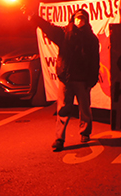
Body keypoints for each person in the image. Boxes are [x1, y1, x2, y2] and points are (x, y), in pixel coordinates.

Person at [30, 9, 100, 151]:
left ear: (87, 21)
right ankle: (59, 138)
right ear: (73, 19)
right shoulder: (64, 34)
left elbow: (94, 61)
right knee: (62, 109)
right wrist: (35, 18)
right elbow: (49, 28)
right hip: (66, 79)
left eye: (82, 19)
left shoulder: (91, 39)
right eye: (77, 18)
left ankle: (85, 132)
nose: (79, 21)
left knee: (85, 109)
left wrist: (91, 81)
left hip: (83, 80)